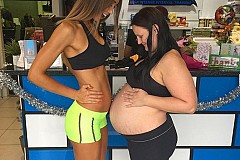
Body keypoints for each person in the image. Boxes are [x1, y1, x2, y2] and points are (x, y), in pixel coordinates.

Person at [28, 0, 122, 160]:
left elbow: (80, 62)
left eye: (114, 6)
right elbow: (35, 74)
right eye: (109, 4)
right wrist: (75, 94)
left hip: (100, 117)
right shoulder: (68, 28)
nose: (110, 10)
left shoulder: (91, 26)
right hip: (84, 118)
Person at [110, 7, 197, 160]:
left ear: (155, 29)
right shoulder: (152, 53)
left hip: (153, 140)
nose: (138, 41)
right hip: (142, 140)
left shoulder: (170, 60)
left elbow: (189, 105)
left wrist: (145, 100)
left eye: (141, 36)